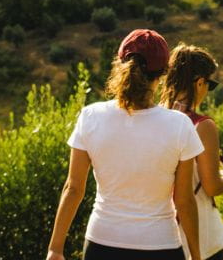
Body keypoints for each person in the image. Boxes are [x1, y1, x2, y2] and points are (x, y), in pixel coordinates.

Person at [46, 29, 204, 260]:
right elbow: (184, 199)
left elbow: (73, 188)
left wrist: (55, 248)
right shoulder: (179, 125)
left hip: (102, 244)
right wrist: (197, 256)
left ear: (120, 63)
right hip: (161, 247)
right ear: (162, 72)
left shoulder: (91, 116)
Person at [162, 45, 223, 260]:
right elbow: (212, 185)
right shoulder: (203, 126)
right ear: (200, 82)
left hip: (160, 236)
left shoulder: (152, 120)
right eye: (210, 84)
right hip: (202, 237)